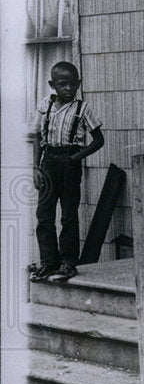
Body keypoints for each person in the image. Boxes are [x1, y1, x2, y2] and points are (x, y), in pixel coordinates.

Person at [31, 61, 104, 283]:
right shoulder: (45, 105)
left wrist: (75, 158)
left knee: (69, 215)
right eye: (63, 84)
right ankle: (48, 263)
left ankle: (68, 263)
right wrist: (36, 167)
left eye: (74, 84)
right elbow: (36, 137)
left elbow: (98, 140)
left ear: (78, 84)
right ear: (52, 84)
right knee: (44, 215)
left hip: (70, 163)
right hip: (48, 163)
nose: (69, 89)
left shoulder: (83, 108)